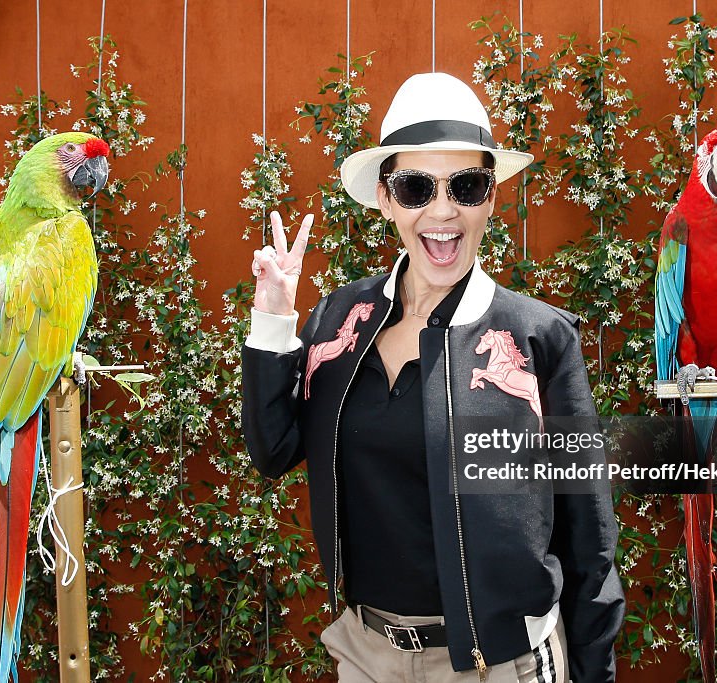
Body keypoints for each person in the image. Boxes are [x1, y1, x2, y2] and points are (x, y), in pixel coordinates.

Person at [241, 72, 624, 683]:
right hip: (368, 657)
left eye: (466, 186)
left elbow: (590, 545)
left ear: (492, 198)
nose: (442, 211)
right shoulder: (340, 321)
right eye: (416, 187)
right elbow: (273, 449)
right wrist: (274, 319)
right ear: (387, 200)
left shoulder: (541, 339)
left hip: (503, 664)